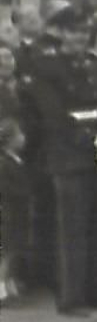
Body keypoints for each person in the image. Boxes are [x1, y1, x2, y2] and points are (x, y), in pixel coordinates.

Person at [22, 5, 97, 311]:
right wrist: (93, 139)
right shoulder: (46, 68)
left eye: (84, 32)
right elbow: (53, 115)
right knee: (73, 229)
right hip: (69, 156)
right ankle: (72, 296)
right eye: (74, 32)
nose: (80, 37)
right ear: (62, 34)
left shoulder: (93, 66)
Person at [0, 117, 30, 303]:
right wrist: (23, 192)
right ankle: (1, 287)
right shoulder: (4, 163)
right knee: (8, 251)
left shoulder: (17, 161)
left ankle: (9, 284)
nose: (23, 137)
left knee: (14, 249)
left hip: (18, 212)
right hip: (9, 212)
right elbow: (6, 188)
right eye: (19, 134)